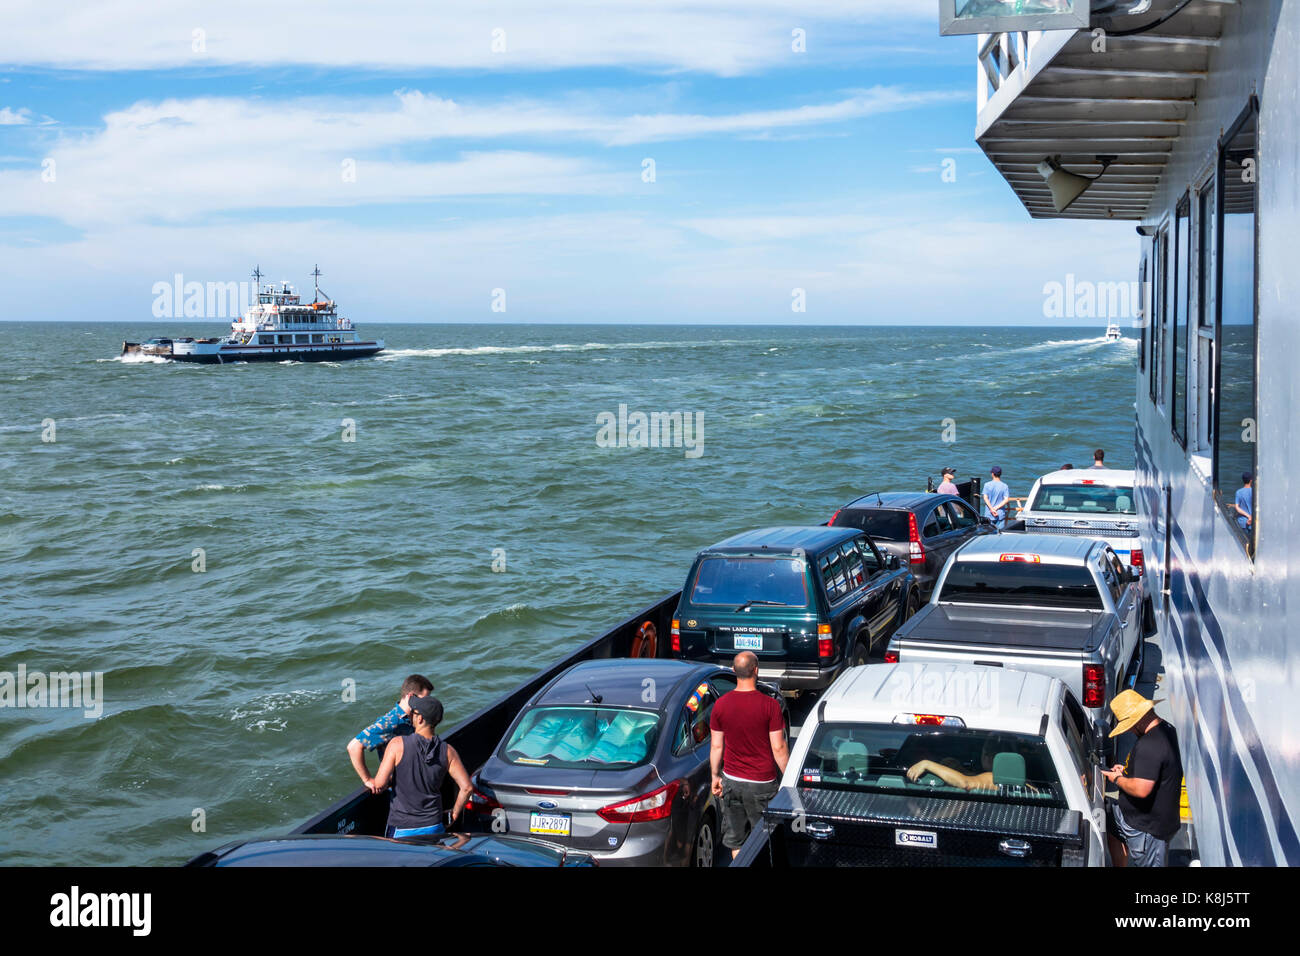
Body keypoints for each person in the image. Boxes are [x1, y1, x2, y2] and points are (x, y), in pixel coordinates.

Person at [710, 651, 789, 858]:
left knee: (738, 842)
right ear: (756, 670)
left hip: (732, 782)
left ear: (734, 671)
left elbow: (717, 747)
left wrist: (715, 776)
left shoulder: (720, 705)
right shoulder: (770, 706)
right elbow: (778, 748)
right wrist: (789, 780)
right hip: (762, 784)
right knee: (765, 841)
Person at [373, 694, 473, 839]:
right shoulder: (448, 751)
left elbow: (380, 783)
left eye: (413, 712)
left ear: (419, 719)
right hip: (434, 825)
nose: (411, 715)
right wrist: (455, 812)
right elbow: (467, 787)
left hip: (401, 827)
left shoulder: (396, 744)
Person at [1101, 690, 1183, 867]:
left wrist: (1116, 779)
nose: (1129, 729)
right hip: (1131, 817)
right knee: (1109, 816)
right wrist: (1127, 772)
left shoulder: (1149, 746)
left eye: (1128, 724)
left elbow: (1140, 789)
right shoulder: (1167, 730)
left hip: (1148, 830)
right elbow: (1156, 770)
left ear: (1137, 719)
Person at [347, 674, 434, 793]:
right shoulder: (391, 721)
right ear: (411, 697)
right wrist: (367, 779)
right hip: (400, 789)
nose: (427, 704)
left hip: (415, 780)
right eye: (425, 699)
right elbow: (354, 746)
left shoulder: (415, 717)